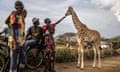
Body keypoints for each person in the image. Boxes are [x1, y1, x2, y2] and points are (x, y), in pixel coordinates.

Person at [5, 1, 27, 72]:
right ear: (16, 7)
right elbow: (13, 29)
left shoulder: (20, 16)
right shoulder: (14, 15)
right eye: (20, 7)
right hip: (15, 41)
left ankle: (19, 68)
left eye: (22, 7)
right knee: (14, 60)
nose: (21, 8)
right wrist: (15, 43)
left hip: (20, 40)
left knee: (22, 58)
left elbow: (7, 22)